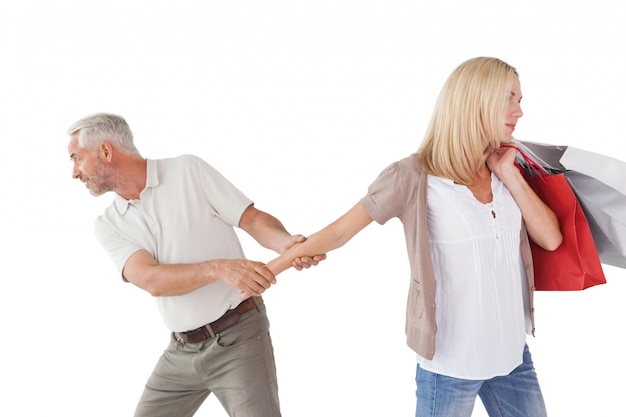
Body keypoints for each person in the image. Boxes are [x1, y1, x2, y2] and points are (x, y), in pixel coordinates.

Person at [265, 57, 563, 417]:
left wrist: (509, 174)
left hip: (512, 358)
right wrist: (272, 268)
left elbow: (551, 239)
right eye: (509, 98)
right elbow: (341, 230)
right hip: (450, 365)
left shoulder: (506, 166)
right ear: (475, 101)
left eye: (520, 100)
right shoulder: (412, 176)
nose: (519, 111)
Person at [67, 112, 324, 417]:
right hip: (180, 353)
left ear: (106, 151)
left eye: (76, 158)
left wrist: (285, 243)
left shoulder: (187, 170)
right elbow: (151, 280)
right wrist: (220, 268)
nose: (74, 172)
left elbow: (251, 218)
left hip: (239, 338)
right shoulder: (109, 224)